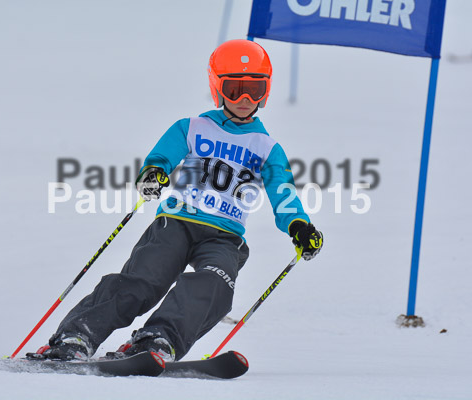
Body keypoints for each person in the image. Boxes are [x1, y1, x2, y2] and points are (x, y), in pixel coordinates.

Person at [28, 39, 323, 362]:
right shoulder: (193, 128)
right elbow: (161, 158)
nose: (245, 98)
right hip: (177, 223)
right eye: (235, 88)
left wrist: (299, 225)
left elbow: (283, 192)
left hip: (225, 236)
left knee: (214, 285)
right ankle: (77, 335)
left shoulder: (267, 147)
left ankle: (158, 338)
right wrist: (154, 174)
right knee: (142, 281)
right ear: (218, 87)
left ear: (265, 91)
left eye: (254, 88)